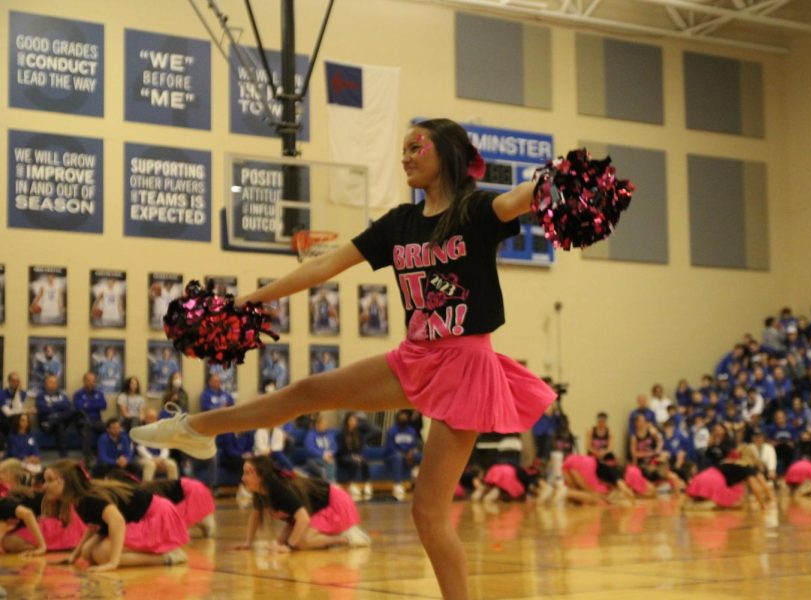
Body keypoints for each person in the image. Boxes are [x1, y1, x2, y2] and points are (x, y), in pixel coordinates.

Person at [131, 118, 556, 600]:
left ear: (448, 154)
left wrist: (551, 181)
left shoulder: (476, 210)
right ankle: (196, 429)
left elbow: (515, 199)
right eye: (403, 148)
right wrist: (251, 298)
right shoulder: (400, 223)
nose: (406, 156)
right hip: (415, 356)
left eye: (417, 146)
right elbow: (325, 265)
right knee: (307, 392)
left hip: (466, 365)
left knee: (428, 514)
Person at [43, 459, 188, 570]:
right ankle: (159, 553)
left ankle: (168, 557)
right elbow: (93, 526)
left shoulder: (90, 498)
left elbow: (117, 522)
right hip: (140, 517)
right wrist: (75, 555)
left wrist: (113, 562)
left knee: (103, 554)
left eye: (49, 480)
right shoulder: (79, 499)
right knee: (87, 552)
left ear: (66, 483)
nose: (44, 486)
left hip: (157, 517)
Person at [234, 456, 370, 552]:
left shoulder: (279, 489)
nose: (242, 478)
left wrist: (289, 546)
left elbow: (303, 518)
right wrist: (248, 543)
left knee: (300, 542)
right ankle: (325, 538)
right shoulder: (260, 492)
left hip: (334, 502)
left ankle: (346, 538)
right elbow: (255, 516)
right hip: (316, 508)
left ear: (261, 476)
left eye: (247, 473)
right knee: (283, 540)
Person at [36, 374, 79, 457]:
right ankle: (64, 455)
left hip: (51, 421)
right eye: (50, 382)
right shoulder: (41, 395)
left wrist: (52, 405)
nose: (53, 384)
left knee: (74, 411)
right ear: (45, 384)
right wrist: (59, 406)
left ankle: (53, 419)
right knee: (60, 425)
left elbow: (67, 405)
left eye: (55, 382)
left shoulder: (62, 394)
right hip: (45, 423)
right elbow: (42, 409)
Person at [74, 372, 108, 467]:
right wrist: (94, 404)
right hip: (83, 421)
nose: (91, 383)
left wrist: (88, 404)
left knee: (110, 428)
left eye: (93, 381)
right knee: (87, 426)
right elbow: (79, 407)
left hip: (97, 421)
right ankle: (87, 458)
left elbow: (104, 405)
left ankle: (104, 455)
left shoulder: (99, 393)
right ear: (84, 381)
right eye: (89, 380)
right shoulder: (78, 394)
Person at [135, 409, 179, 481]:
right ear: (145, 419)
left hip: (160, 458)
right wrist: (152, 459)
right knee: (150, 465)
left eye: (154, 418)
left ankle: (173, 488)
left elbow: (165, 448)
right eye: (150, 418)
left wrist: (161, 459)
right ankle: (146, 490)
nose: (152, 420)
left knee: (172, 464)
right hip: (144, 458)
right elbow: (140, 449)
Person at [336, 412, 372, 501]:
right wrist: (353, 456)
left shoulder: (358, 434)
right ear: (347, 421)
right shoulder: (342, 434)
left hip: (355, 456)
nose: (353, 422)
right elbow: (340, 449)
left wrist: (358, 456)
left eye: (355, 420)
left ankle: (366, 484)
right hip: (343, 456)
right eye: (351, 420)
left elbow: (360, 448)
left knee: (365, 462)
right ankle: (351, 484)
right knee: (353, 462)